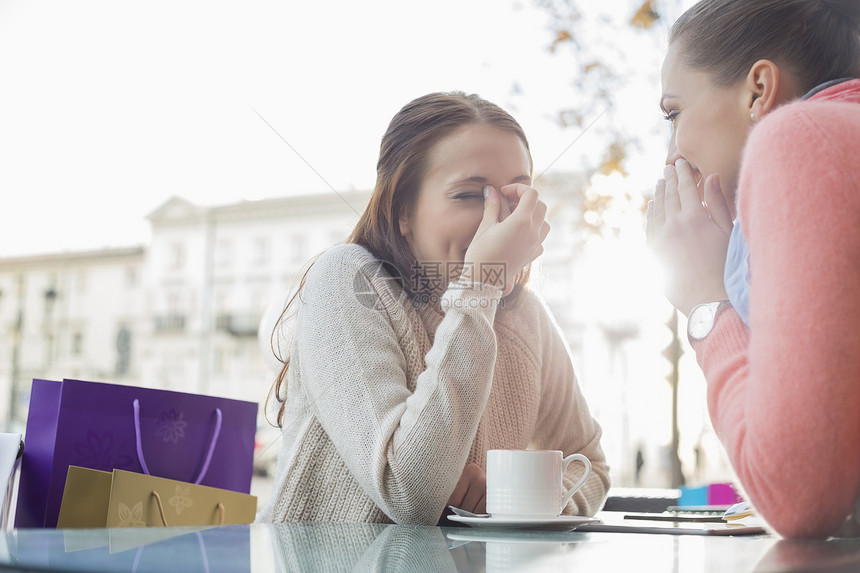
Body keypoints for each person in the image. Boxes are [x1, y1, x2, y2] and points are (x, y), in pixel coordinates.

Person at [256, 91, 610, 525]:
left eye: (515, 196)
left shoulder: (525, 317)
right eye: (469, 195)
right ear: (404, 211)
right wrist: (481, 284)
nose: (498, 220)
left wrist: (519, 499)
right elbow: (408, 493)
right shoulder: (349, 280)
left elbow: (590, 464)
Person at [647, 0, 860, 539]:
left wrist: (704, 304)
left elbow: (797, 495)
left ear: (758, 91)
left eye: (674, 114)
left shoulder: (804, 137)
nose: (671, 155)